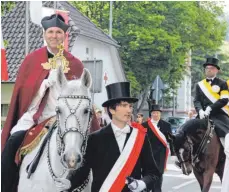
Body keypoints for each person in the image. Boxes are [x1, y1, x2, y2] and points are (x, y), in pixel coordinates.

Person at [1, 14, 99, 192]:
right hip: (38, 116)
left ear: (64, 35)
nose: (54, 36)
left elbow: (80, 96)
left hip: (68, 117)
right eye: (51, 32)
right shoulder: (31, 60)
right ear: (44, 34)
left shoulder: (75, 64)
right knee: (13, 141)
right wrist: (44, 85)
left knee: (93, 147)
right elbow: (24, 94)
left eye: (59, 32)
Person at [69, 82, 161, 192]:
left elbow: (153, 172)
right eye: (123, 105)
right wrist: (67, 184)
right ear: (112, 110)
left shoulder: (140, 137)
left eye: (130, 106)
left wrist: (143, 183)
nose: (129, 110)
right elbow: (82, 173)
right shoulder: (94, 139)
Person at [193, 57, 229, 145]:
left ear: (217, 70)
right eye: (207, 68)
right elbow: (197, 100)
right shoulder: (199, 85)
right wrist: (200, 111)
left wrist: (210, 108)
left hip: (219, 115)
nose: (209, 70)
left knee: (226, 136)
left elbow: (224, 99)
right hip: (203, 115)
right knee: (188, 132)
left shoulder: (223, 83)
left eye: (211, 68)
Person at [142, 104, 174, 192]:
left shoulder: (166, 125)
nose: (156, 115)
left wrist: (174, 153)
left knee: (158, 178)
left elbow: (170, 140)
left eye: (157, 113)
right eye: (154, 113)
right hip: (147, 155)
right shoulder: (144, 125)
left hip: (160, 155)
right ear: (151, 114)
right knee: (147, 177)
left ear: (160, 114)